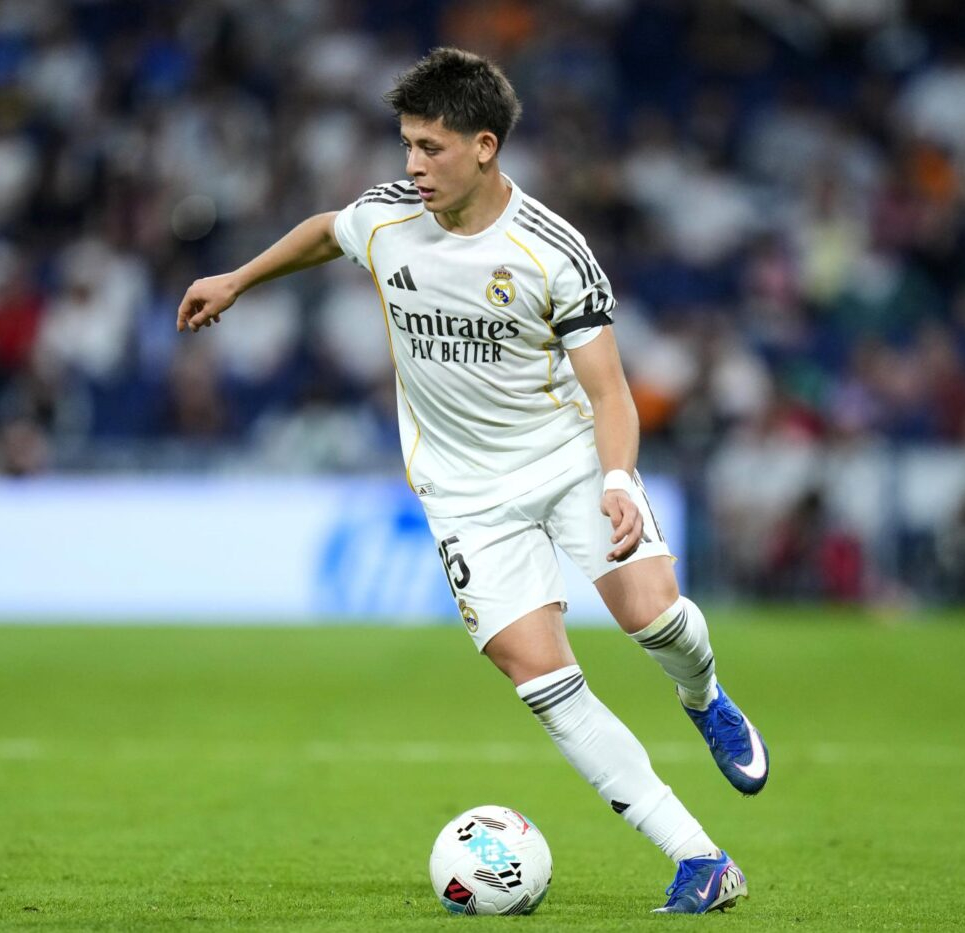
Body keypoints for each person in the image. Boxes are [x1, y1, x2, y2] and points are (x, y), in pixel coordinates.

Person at [176, 48, 767, 915]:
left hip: (566, 462)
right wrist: (237, 279)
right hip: (463, 495)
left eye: (431, 147)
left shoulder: (552, 251)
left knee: (653, 618)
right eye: (407, 145)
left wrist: (617, 478)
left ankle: (703, 694)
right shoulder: (388, 217)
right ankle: (700, 857)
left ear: (484, 146)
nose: (412, 165)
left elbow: (611, 391)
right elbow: (327, 229)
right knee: (541, 678)